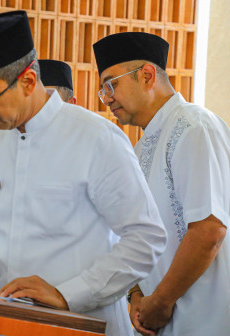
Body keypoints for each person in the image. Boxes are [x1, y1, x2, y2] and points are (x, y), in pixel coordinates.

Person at [0, 11, 167, 336]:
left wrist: (67, 294)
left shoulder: (95, 138)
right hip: (8, 324)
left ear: (28, 81)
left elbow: (146, 238)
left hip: (80, 324)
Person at [93, 32, 230, 336]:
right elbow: (138, 235)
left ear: (147, 75)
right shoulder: (141, 148)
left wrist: (163, 300)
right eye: (104, 90)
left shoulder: (194, 127)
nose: (107, 98)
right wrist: (137, 295)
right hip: (157, 320)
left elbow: (209, 229)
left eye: (111, 84)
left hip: (204, 318)